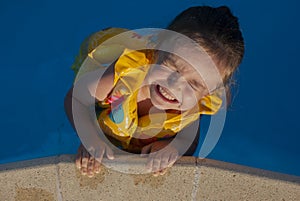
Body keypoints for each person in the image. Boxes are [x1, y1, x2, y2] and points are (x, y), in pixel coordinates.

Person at [64, 6, 244, 178]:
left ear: (207, 93)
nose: (175, 85)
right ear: (157, 50)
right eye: (172, 67)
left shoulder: (193, 107)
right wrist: (91, 139)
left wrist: (171, 148)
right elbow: (76, 99)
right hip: (104, 110)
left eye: (194, 84)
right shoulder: (121, 76)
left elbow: (189, 140)